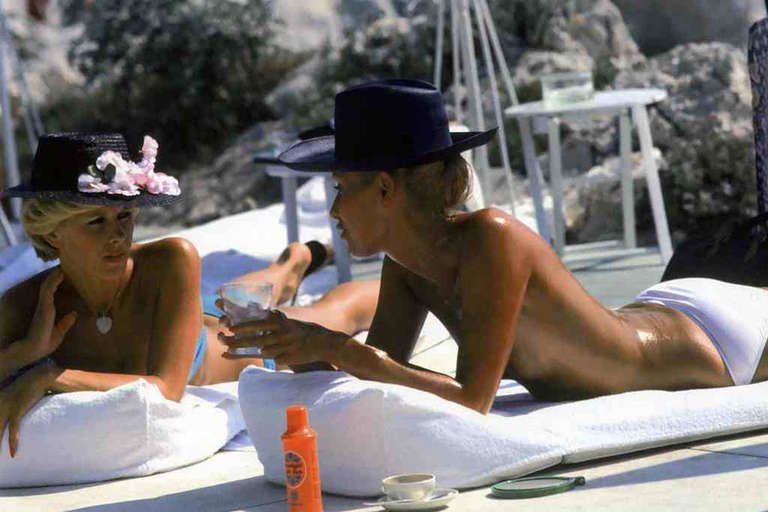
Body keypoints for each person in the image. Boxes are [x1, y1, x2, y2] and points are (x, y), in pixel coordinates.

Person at [221, 78, 768, 414]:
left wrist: (337, 346)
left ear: (386, 188)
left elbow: (469, 400)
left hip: (715, 340)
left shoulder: (492, 237)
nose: (335, 211)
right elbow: (381, 370)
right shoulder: (406, 266)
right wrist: (292, 346)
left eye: (341, 190)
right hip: (659, 308)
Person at [0, 132, 378, 457]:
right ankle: (292, 263)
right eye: (95, 221)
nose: (117, 236)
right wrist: (25, 354)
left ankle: (301, 263)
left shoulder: (171, 259)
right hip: (199, 312)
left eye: (125, 216)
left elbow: (165, 390)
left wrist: (52, 375)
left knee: (339, 313)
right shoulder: (24, 305)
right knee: (235, 295)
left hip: (243, 343)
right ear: (52, 235)